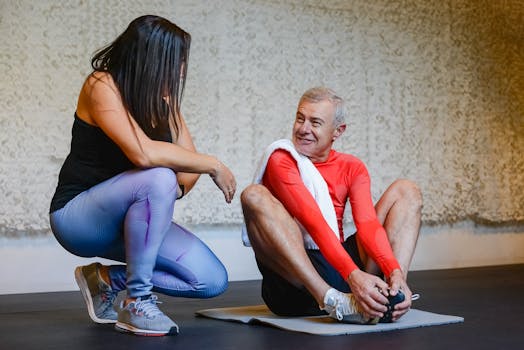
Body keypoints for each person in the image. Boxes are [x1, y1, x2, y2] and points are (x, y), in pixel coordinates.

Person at [49, 15, 237, 336]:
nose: (180, 72)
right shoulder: (101, 84)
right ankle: (137, 302)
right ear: (153, 59)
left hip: (133, 226)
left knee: (211, 279)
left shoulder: (164, 105)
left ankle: (106, 281)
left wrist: (163, 191)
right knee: (158, 176)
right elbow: (144, 154)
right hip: (78, 217)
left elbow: (185, 178)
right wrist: (212, 164)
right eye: (175, 62)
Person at [240, 87, 422, 324]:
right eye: (300, 119)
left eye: (315, 122)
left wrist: (393, 269)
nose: (303, 129)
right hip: (298, 282)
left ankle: (392, 296)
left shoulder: (351, 166)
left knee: (406, 191)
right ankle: (331, 300)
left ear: (337, 131)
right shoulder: (281, 158)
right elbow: (313, 221)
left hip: (341, 267)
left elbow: (367, 224)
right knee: (253, 195)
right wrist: (353, 274)